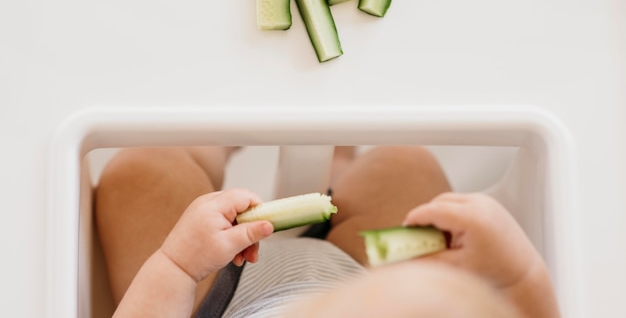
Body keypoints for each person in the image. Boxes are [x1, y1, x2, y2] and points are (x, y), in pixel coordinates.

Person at [94, 145, 560, 317]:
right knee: (403, 164)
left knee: (142, 173)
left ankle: (208, 145)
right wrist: (519, 278)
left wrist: (177, 265)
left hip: (217, 299)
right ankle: (342, 164)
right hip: (363, 275)